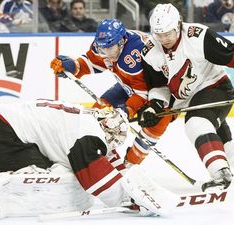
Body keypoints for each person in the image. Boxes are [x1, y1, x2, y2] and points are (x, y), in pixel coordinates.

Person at [0, 99, 179, 219]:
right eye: (112, 141)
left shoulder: (86, 118)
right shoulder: (89, 135)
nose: (111, 146)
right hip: (2, 137)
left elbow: (112, 163)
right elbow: (96, 180)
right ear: (107, 133)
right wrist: (127, 200)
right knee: (56, 176)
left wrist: (139, 187)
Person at [139, 3, 234, 192]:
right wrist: (154, 105)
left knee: (196, 123)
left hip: (215, 86)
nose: (163, 39)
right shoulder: (150, 52)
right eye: (159, 34)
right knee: (222, 141)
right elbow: (159, 86)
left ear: (179, 24)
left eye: (168, 33)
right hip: (187, 98)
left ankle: (221, 174)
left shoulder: (198, 37)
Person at [50, 19, 175, 166]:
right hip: (128, 86)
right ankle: (88, 157)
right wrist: (71, 66)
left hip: (161, 93)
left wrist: (125, 112)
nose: (105, 54)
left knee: (156, 124)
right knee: (96, 114)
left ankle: (130, 165)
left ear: (122, 42)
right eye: (102, 49)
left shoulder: (134, 54)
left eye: (109, 49)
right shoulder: (106, 44)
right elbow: (92, 62)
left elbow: (142, 93)